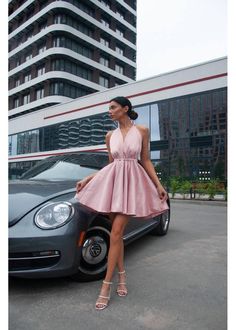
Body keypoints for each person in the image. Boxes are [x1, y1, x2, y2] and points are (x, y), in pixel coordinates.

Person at [75, 96, 169, 310]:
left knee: (116, 233)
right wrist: (88, 179)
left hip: (132, 184)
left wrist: (158, 185)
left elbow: (145, 160)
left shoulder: (142, 130)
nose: (109, 111)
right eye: (109, 108)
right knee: (117, 237)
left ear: (125, 109)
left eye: (113, 107)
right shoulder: (110, 135)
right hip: (113, 186)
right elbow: (110, 165)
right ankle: (122, 276)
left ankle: (106, 286)